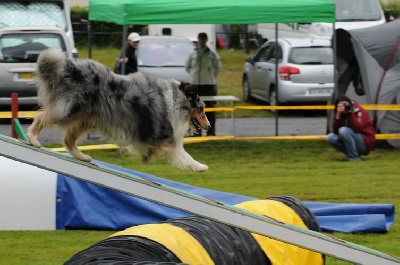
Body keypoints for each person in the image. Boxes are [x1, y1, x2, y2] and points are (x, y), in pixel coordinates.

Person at [185, 32, 222, 136]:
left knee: (209, 109)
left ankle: (211, 132)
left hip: (208, 85)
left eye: (203, 39)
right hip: (195, 85)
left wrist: (211, 78)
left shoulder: (212, 53)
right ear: (198, 40)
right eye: (200, 39)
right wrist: (194, 76)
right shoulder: (192, 53)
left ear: (206, 40)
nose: (201, 41)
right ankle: (197, 133)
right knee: (195, 110)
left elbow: (218, 67)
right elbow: (187, 67)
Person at [327, 95, 376, 161]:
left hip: (365, 142)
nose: (343, 107)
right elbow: (336, 132)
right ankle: (353, 154)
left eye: (345, 105)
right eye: (341, 106)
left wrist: (350, 114)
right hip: (353, 138)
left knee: (343, 130)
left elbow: (358, 128)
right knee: (331, 137)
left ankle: (354, 158)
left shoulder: (360, 111)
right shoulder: (340, 114)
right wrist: (338, 115)